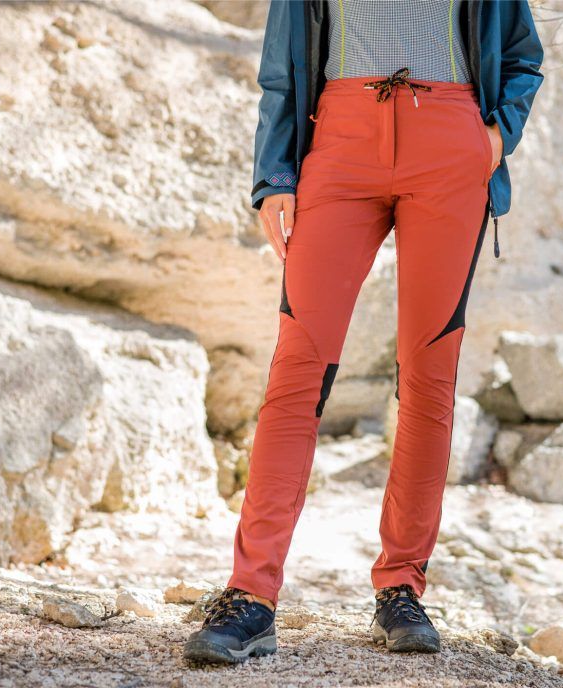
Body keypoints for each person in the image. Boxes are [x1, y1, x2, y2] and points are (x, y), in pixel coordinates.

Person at [184, 0, 544, 665]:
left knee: (428, 372)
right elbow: (281, 68)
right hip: (339, 146)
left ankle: (402, 588)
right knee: (299, 366)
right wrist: (274, 175)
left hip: (451, 146)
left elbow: (523, 56)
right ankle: (250, 596)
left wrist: (494, 138)